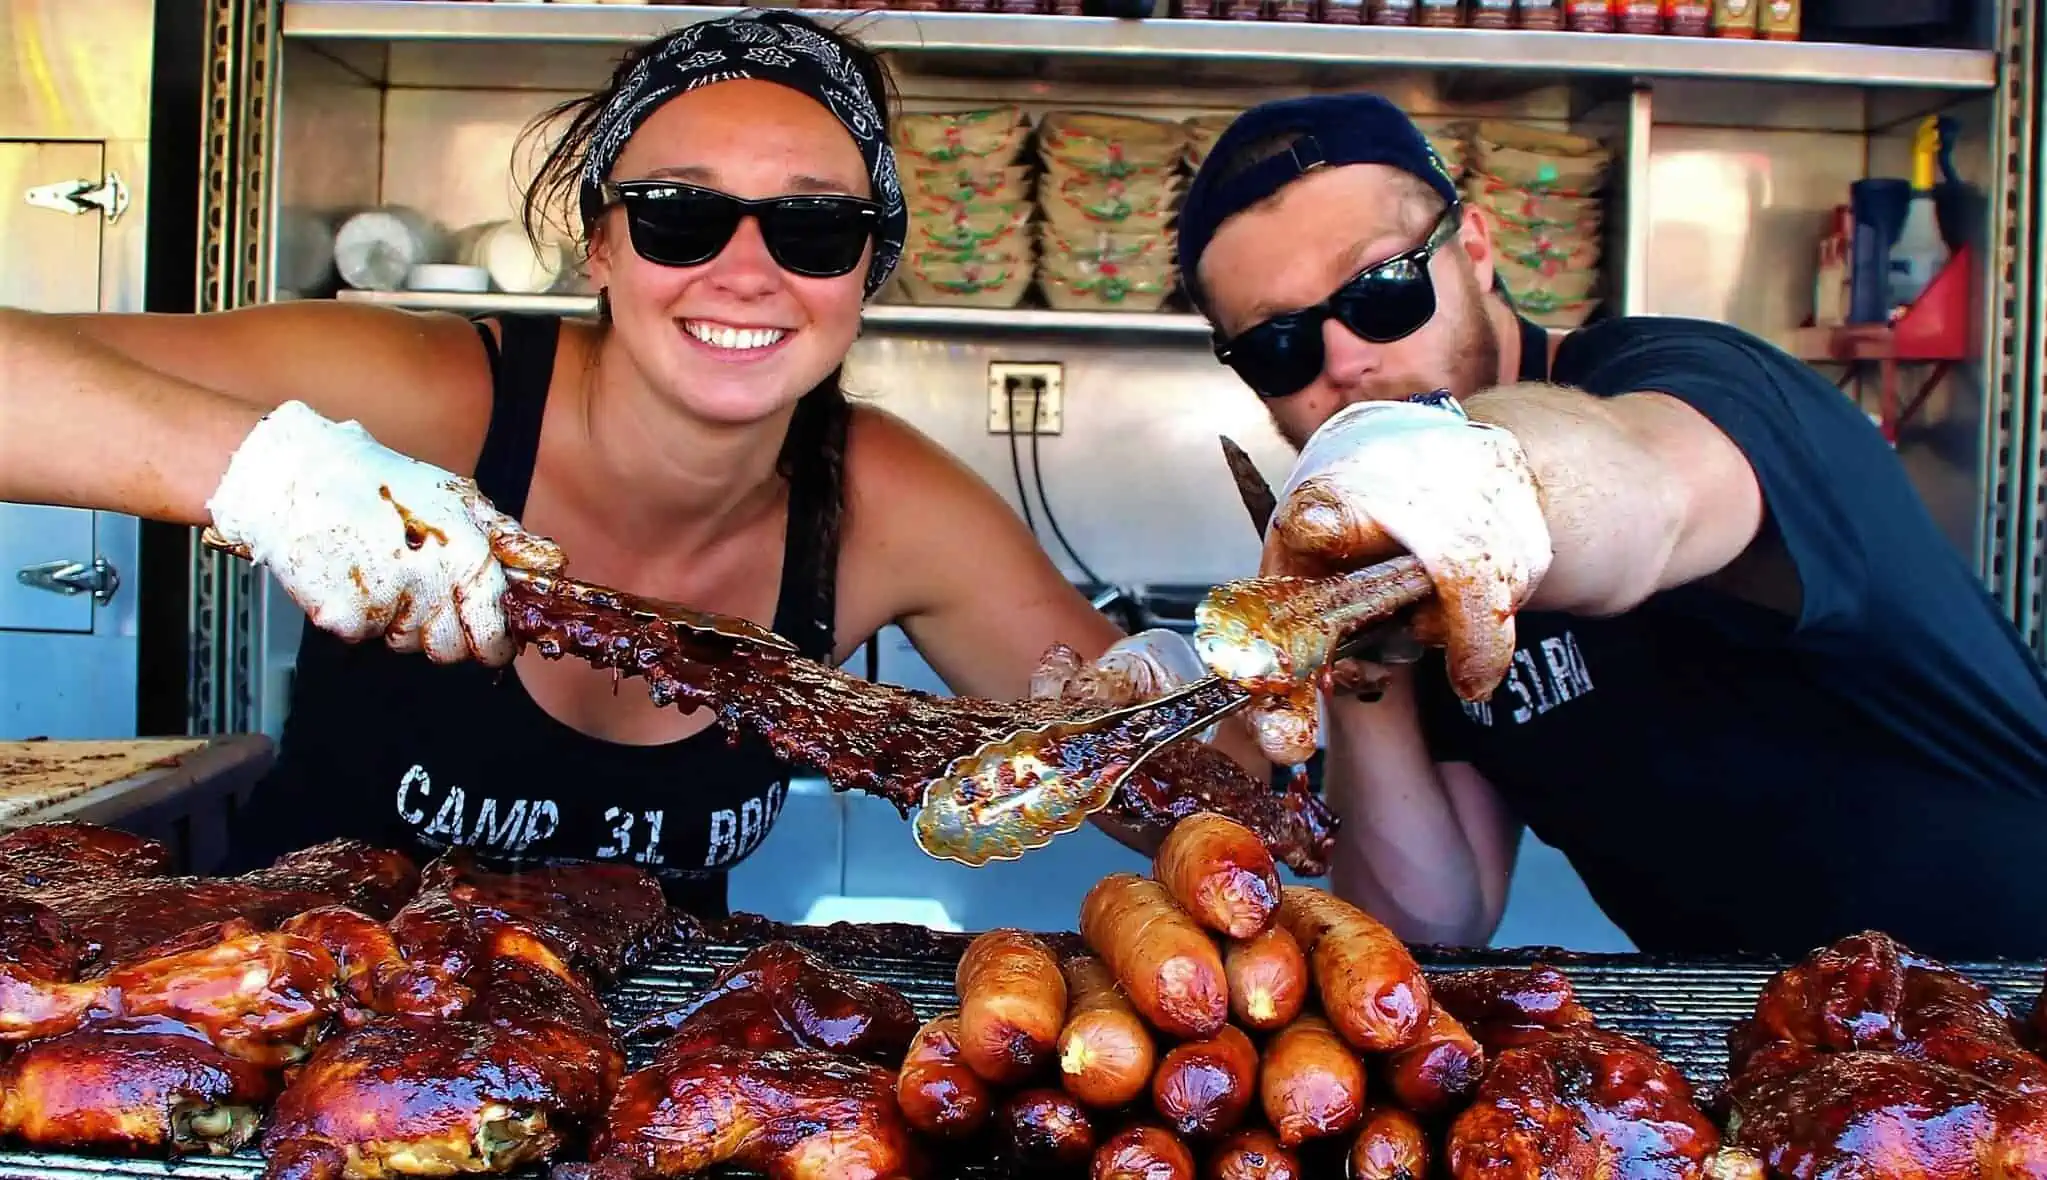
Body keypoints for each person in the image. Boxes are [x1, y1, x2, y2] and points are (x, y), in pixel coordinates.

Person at [0, 10, 1254, 915]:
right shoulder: (431, 392)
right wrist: (267, 472)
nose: (744, 268)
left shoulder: (889, 505)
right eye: (679, 213)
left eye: (815, 226)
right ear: (598, 244)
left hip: (656, 1092)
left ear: (864, 274)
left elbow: (1201, 808)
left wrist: (1283, 658)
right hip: (304, 1047)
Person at [1172, 92, 2047, 960]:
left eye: (1381, 290)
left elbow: (1641, 491)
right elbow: (1434, 918)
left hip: (2009, 1002)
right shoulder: (1408, 565)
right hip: (1760, 1050)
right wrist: (1349, 636)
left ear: (1473, 250)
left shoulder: (1692, 385)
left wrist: (1455, 485)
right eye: (1276, 344)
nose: (1343, 358)